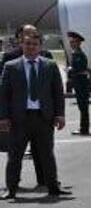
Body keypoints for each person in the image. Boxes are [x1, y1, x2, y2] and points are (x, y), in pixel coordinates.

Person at [1, 28, 69, 198]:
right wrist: (3, 117)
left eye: (35, 44)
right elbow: (3, 94)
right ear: (21, 45)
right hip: (19, 119)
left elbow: (57, 92)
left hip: (43, 117)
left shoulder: (50, 65)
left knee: (47, 154)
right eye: (27, 44)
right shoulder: (11, 67)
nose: (31, 47)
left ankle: (53, 186)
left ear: (40, 47)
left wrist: (60, 114)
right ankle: (12, 188)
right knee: (15, 155)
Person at [64, 32, 91, 136]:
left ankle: (84, 128)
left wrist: (70, 70)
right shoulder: (75, 53)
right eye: (71, 42)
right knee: (82, 107)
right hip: (78, 83)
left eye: (73, 42)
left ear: (78, 43)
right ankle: (83, 127)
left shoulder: (79, 54)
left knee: (83, 107)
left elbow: (80, 69)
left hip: (81, 84)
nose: (71, 44)